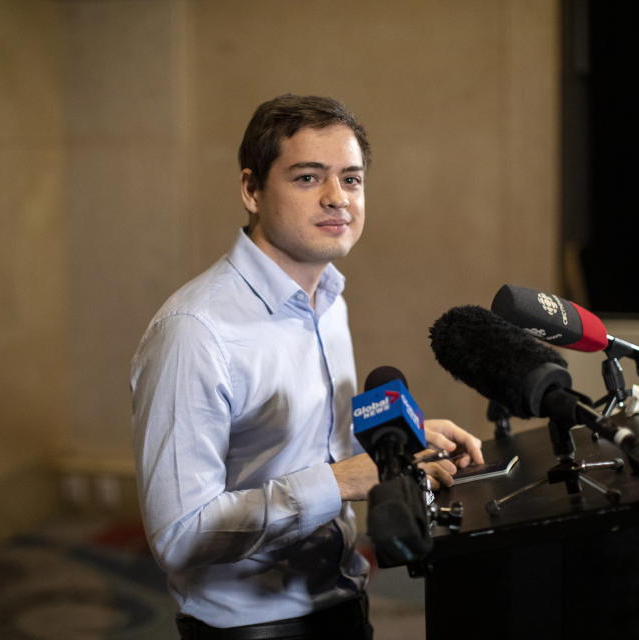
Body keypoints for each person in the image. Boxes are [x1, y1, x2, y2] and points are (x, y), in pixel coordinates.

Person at [130, 94, 483, 640]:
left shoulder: (328, 300)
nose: (336, 198)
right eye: (307, 178)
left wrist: (401, 445)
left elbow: (313, 452)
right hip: (254, 628)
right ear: (251, 190)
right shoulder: (195, 331)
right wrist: (341, 481)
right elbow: (178, 534)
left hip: (342, 599)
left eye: (352, 179)